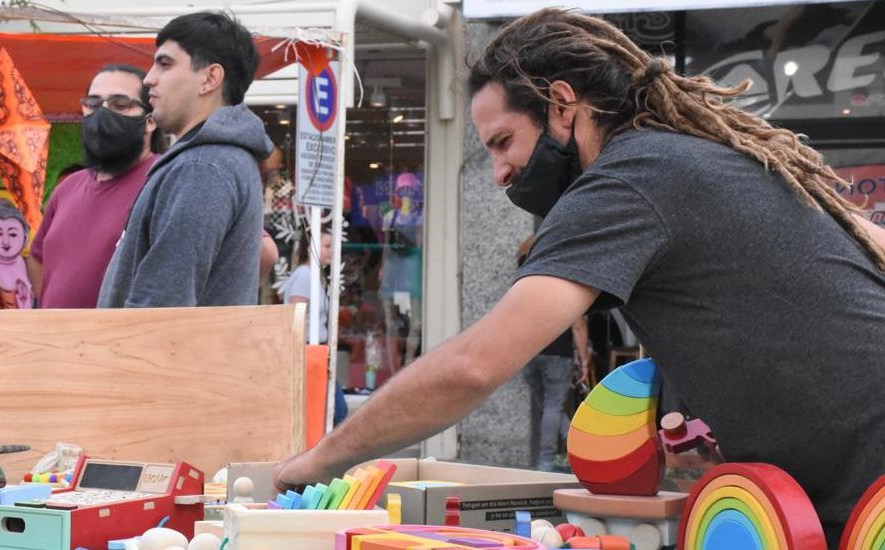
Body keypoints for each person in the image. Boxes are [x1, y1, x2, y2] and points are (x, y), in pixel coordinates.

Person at [274, 8, 885, 545]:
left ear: (563, 105)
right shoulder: (683, 157)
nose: (499, 173)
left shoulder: (625, 180)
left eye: (503, 142)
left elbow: (473, 366)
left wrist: (318, 461)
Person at [97, 11, 273, 308]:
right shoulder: (212, 159)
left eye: (165, 64)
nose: (149, 79)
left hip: (154, 353)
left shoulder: (203, 167)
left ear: (210, 78)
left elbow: (161, 308)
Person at [28, 64, 163, 308]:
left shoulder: (167, 180)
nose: (103, 114)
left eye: (120, 105)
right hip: (56, 341)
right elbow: (37, 260)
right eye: (93, 103)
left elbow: (253, 251)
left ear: (150, 120)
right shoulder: (67, 189)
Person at [516, 235, 590, 473]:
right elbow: (578, 324)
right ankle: (547, 461)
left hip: (528, 352)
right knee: (553, 407)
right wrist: (585, 359)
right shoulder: (561, 274)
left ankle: (576, 445)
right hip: (558, 352)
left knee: (548, 406)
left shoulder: (522, 278)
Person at [283, 230, 348, 426]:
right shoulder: (304, 276)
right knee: (336, 411)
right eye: (327, 246)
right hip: (308, 351)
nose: (331, 252)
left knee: (331, 411)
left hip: (316, 350)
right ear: (311, 247)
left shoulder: (312, 276)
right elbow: (296, 316)